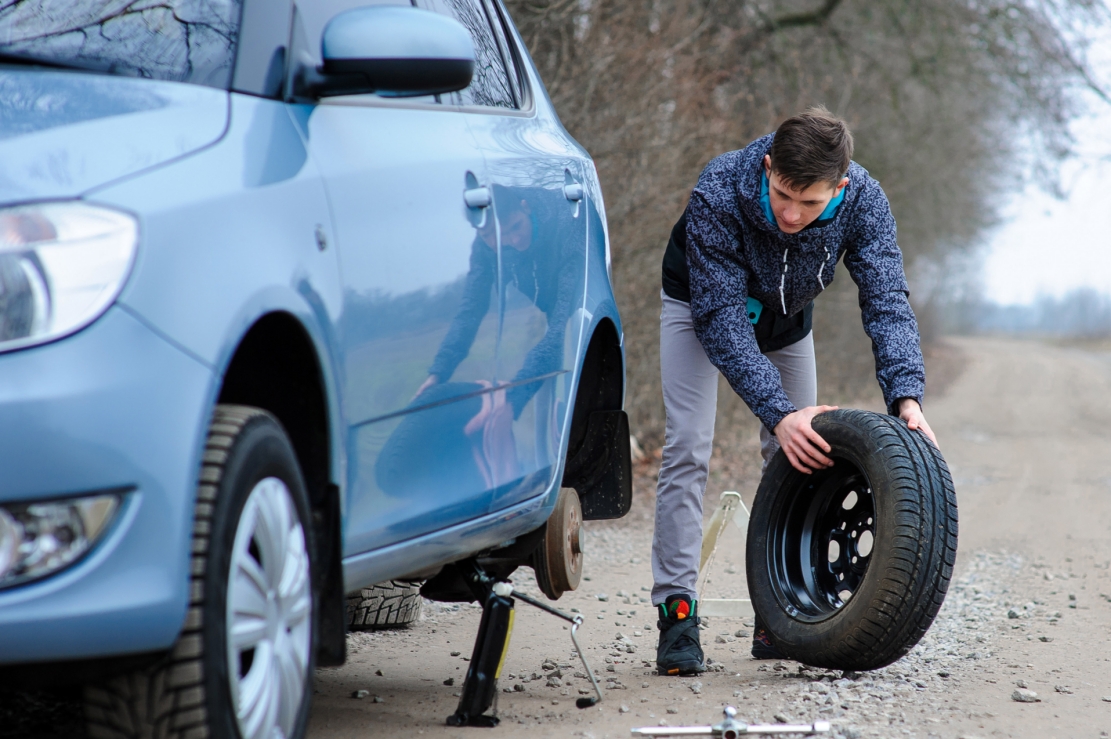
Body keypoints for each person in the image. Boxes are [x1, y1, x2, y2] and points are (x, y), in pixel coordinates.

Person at [652, 106, 937, 676]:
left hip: (788, 316)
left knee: (798, 456)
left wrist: (906, 397)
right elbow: (723, 323)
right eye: (782, 194)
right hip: (700, 305)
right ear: (767, 167)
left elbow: (886, 301)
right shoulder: (718, 189)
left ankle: (777, 612)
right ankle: (676, 614)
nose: (791, 213)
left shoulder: (865, 202)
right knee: (689, 445)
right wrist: (779, 410)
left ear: (841, 186)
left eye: (810, 204)